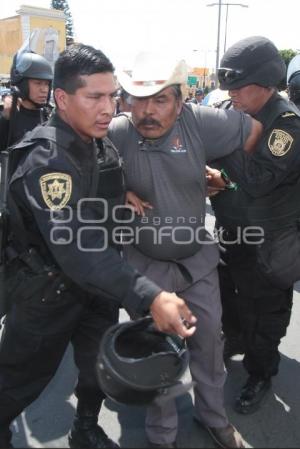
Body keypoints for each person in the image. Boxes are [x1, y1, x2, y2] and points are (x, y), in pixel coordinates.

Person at [0, 44, 197, 449]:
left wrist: (121, 195)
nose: (109, 107)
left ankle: (85, 427)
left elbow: (98, 198)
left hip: (96, 290)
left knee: (96, 370)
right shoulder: (46, 158)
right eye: (95, 97)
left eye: (112, 96)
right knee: (16, 383)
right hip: (45, 292)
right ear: (62, 97)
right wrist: (150, 296)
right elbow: (76, 245)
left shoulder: (99, 143)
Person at [108, 50, 262, 448]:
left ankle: (214, 418)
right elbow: (86, 163)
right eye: (138, 99)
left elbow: (255, 130)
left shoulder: (202, 123)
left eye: (160, 99)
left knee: (209, 345)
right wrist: (117, 188)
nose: (147, 111)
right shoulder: (118, 132)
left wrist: (225, 176)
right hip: (146, 267)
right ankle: (162, 435)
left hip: (197, 262)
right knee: (159, 354)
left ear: (180, 101)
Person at [210, 35, 300, 415]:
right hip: (232, 229)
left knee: (265, 310)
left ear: (264, 84)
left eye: (238, 87)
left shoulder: (285, 125)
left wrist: (227, 139)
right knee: (227, 295)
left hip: (270, 240)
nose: (231, 94)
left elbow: (260, 179)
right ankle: (233, 338)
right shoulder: (234, 110)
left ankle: (261, 373)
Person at [0, 51, 53, 152]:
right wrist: (5, 119)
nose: (44, 89)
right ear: (22, 85)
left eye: (46, 84)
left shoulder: (49, 114)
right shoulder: (9, 114)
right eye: (38, 83)